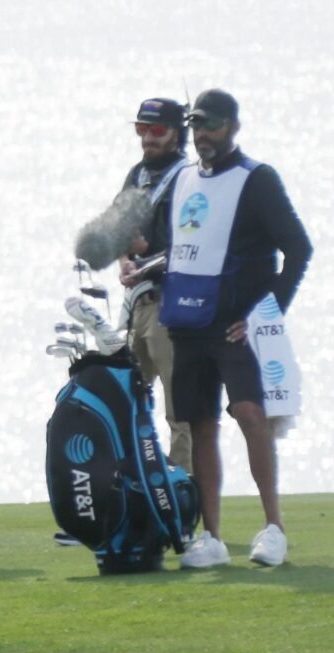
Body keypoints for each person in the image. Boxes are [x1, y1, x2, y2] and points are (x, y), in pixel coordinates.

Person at [158, 89, 312, 569]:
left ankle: (273, 528)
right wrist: (139, 264)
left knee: (250, 415)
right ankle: (214, 538)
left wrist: (265, 313)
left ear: (233, 128)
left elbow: (298, 249)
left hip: (236, 327)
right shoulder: (180, 178)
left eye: (212, 126)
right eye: (197, 126)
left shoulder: (258, 180)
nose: (203, 135)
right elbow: (175, 245)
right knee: (200, 425)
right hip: (188, 323)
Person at [117, 98, 193, 473]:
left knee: (180, 412)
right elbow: (118, 230)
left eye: (157, 130)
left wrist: (146, 254)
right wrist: (125, 259)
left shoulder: (188, 175)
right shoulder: (137, 175)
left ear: (177, 133)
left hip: (172, 304)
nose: (147, 137)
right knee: (130, 406)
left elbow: (192, 244)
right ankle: (135, 493)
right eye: (141, 129)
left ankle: (183, 500)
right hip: (137, 303)